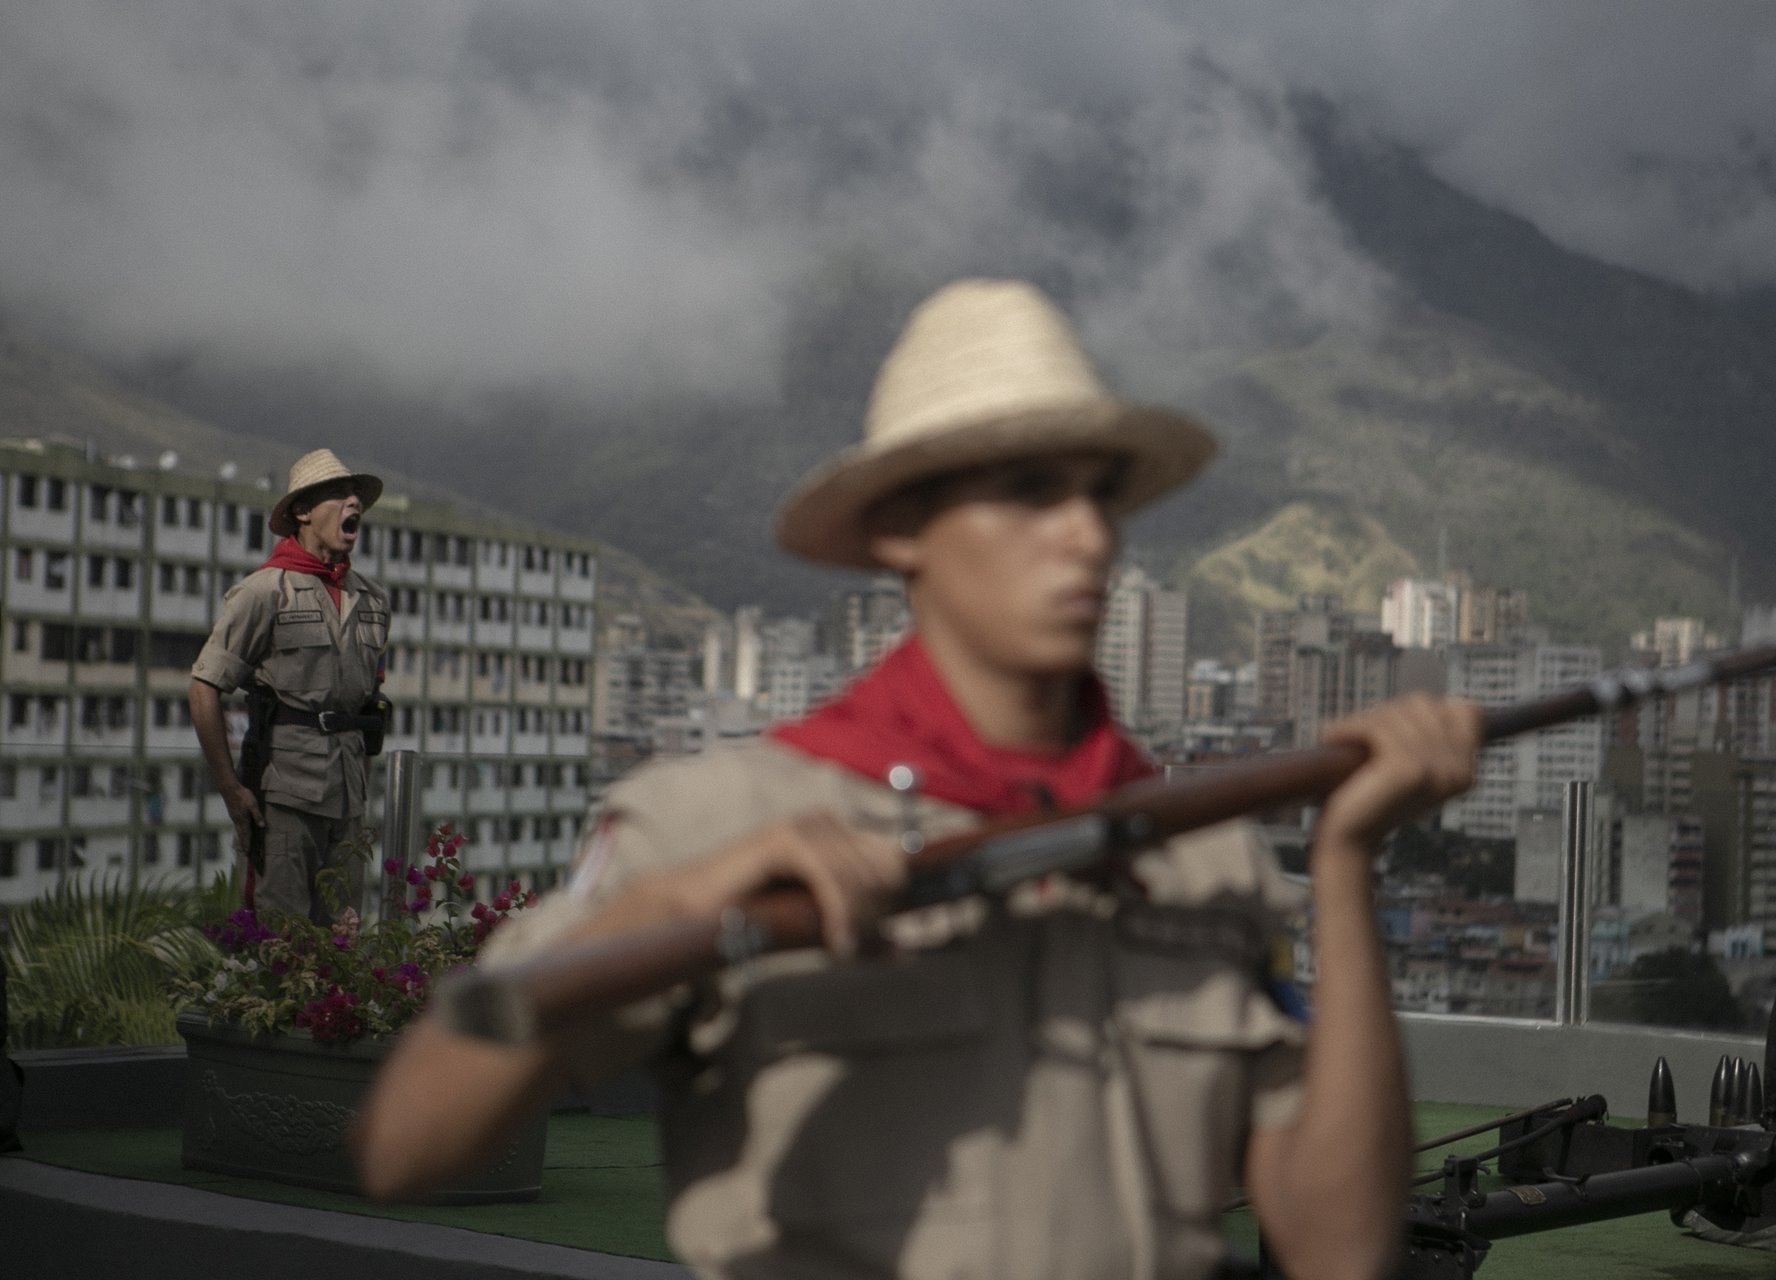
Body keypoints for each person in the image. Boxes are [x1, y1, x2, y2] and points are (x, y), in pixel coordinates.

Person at [352, 280, 1481, 1280]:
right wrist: (671, 904)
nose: (1088, 534)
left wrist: (1344, 860)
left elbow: (1339, 1250)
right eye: (1031, 489)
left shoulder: (1203, 855)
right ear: (900, 526)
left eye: (1101, 493)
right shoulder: (714, 820)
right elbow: (407, 1145)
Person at [189, 448, 390, 923]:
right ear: (302, 511)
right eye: (338, 495)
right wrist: (229, 787)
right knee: (281, 942)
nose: (352, 503)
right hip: (283, 795)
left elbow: (370, 703)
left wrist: (360, 783)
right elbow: (203, 687)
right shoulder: (264, 591)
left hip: (348, 798)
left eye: (356, 495)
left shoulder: (373, 601)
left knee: (343, 937)